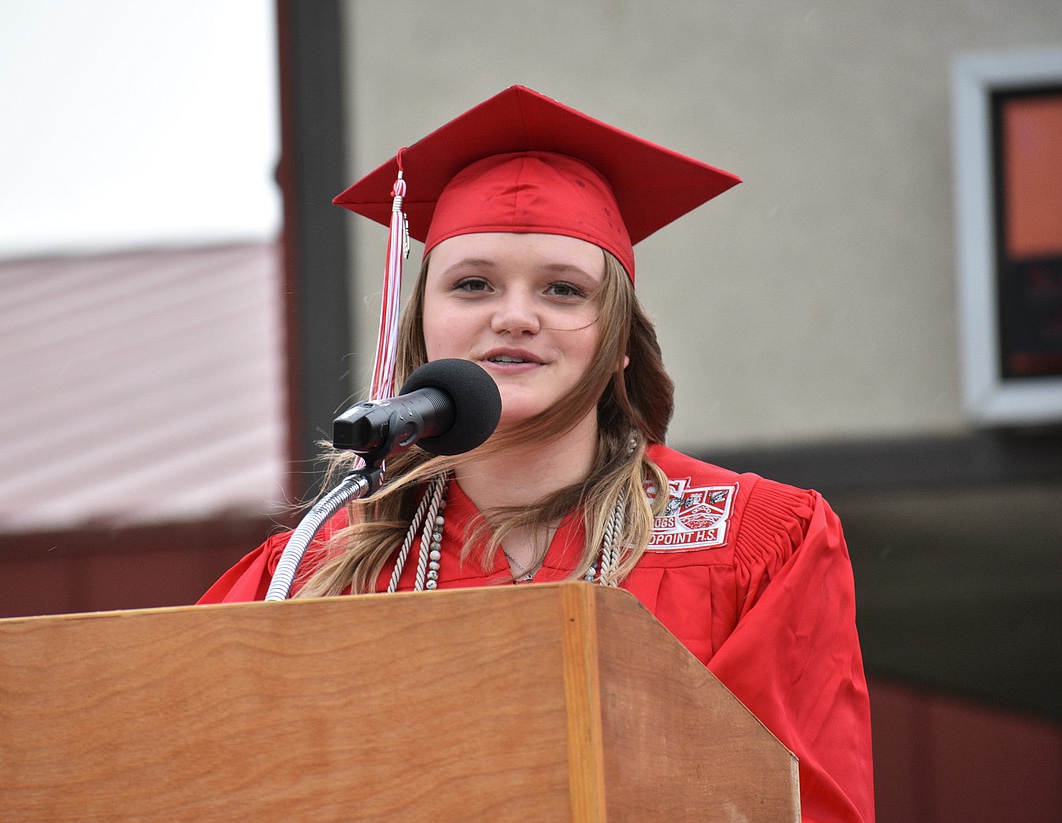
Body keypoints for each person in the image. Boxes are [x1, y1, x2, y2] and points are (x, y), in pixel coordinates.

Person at [199, 85, 874, 822]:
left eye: (562, 289)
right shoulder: (317, 565)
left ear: (618, 342)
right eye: (473, 284)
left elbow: (792, 804)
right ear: (424, 326)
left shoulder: (753, 540)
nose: (514, 316)